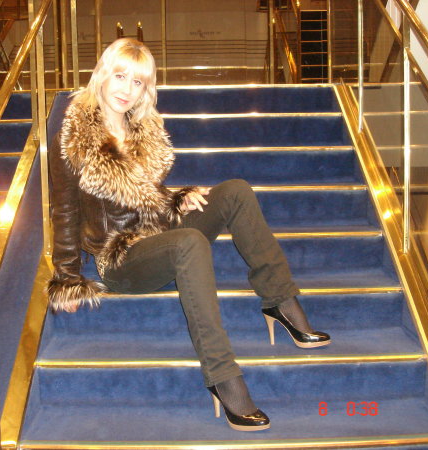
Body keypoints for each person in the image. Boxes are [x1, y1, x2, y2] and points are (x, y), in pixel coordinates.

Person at [47, 38, 330, 432]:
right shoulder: (74, 135)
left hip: (159, 234)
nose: (127, 89)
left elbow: (144, 197)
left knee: (235, 191)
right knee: (190, 242)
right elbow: (64, 209)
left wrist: (178, 198)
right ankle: (222, 375)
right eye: (120, 76)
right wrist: (67, 277)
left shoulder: (142, 128)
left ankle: (280, 301)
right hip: (120, 256)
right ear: (103, 74)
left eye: (138, 82)